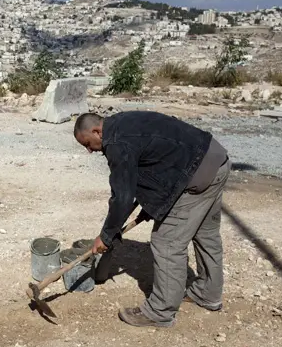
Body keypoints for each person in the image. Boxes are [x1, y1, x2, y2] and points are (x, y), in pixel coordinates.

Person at [73, 111, 231, 328]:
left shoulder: (117, 143)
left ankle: (160, 312)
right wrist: (152, 206)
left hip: (196, 174)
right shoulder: (123, 122)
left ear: (96, 131)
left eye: (88, 144)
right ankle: (207, 293)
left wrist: (106, 235)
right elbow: (157, 162)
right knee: (206, 235)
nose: (90, 150)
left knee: (166, 242)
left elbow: (123, 197)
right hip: (216, 159)